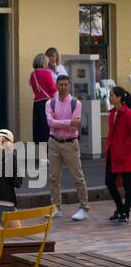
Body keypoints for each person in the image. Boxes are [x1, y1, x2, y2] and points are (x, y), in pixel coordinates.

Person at [45, 74, 89, 220]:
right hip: (54, 142)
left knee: (78, 176)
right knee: (54, 177)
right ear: (56, 86)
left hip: (70, 143)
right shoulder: (50, 103)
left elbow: (74, 126)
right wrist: (68, 122)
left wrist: (63, 123)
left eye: (65, 84)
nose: (63, 87)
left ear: (69, 86)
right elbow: (50, 123)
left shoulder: (76, 103)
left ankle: (84, 207)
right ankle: (56, 207)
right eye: (60, 85)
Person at [105, 85, 131, 223]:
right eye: (109, 95)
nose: (110, 97)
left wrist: (125, 149)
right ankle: (120, 208)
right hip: (112, 154)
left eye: (112, 95)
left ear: (119, 97)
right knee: (109, 182)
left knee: (128, 186)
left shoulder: (127, 113)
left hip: (125, 156)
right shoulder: (111, 113)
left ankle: (125, 212)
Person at [29, 52, 57, 145]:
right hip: (46, 102)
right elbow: (53, 90)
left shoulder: (32, 74)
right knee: (46, 128)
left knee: (38, 128)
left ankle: (41, 155)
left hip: (36, 103)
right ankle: (47, 154)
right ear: (43, 63)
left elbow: (32, 86)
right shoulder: (47, 73)